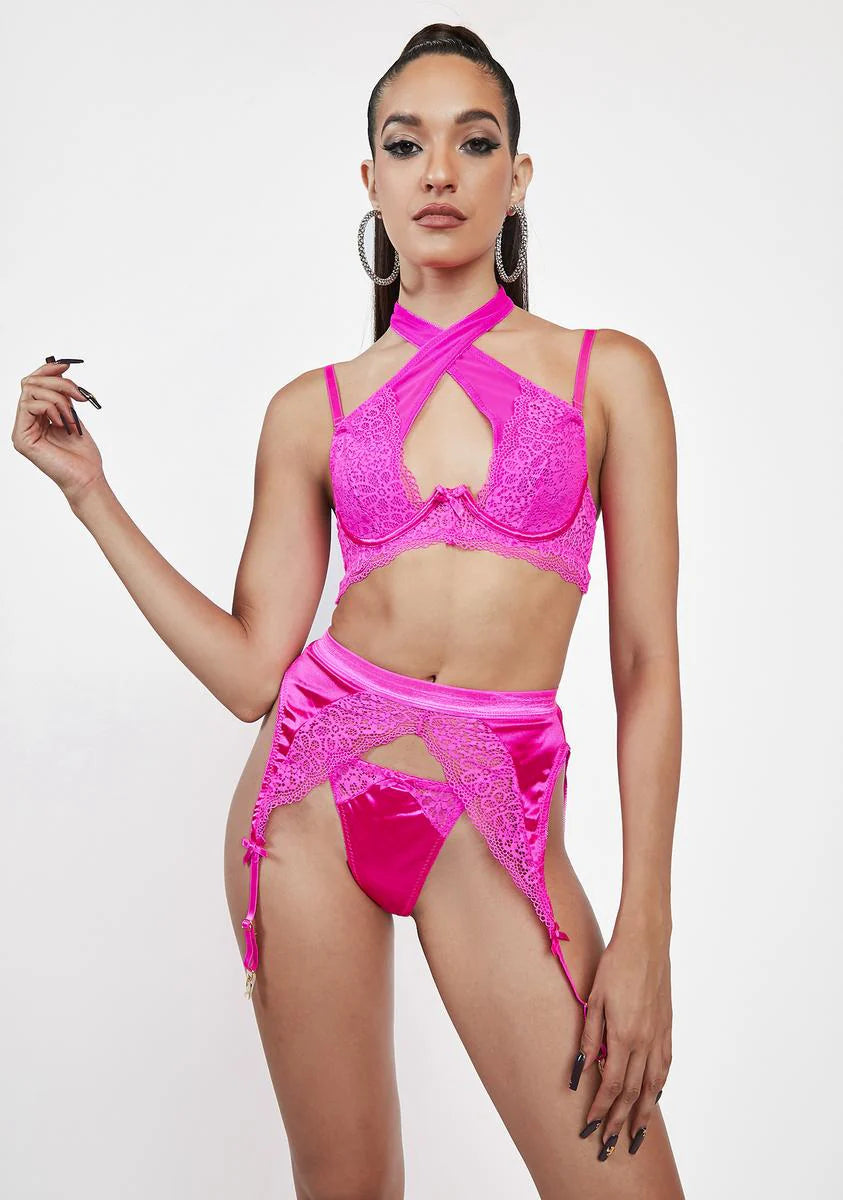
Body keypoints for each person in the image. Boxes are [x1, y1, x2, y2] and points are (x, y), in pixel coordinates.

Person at [12, 22, 685, 1200]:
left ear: (519, 176)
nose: (439, 172)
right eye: (406, 145)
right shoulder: (310, 410)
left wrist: (646, 932)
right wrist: (89, 494)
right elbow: (248, 675)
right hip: (310, 795)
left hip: (496, 814)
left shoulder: (608, 375)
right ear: (369, 179)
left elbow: (646, 667)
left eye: (475, 142)